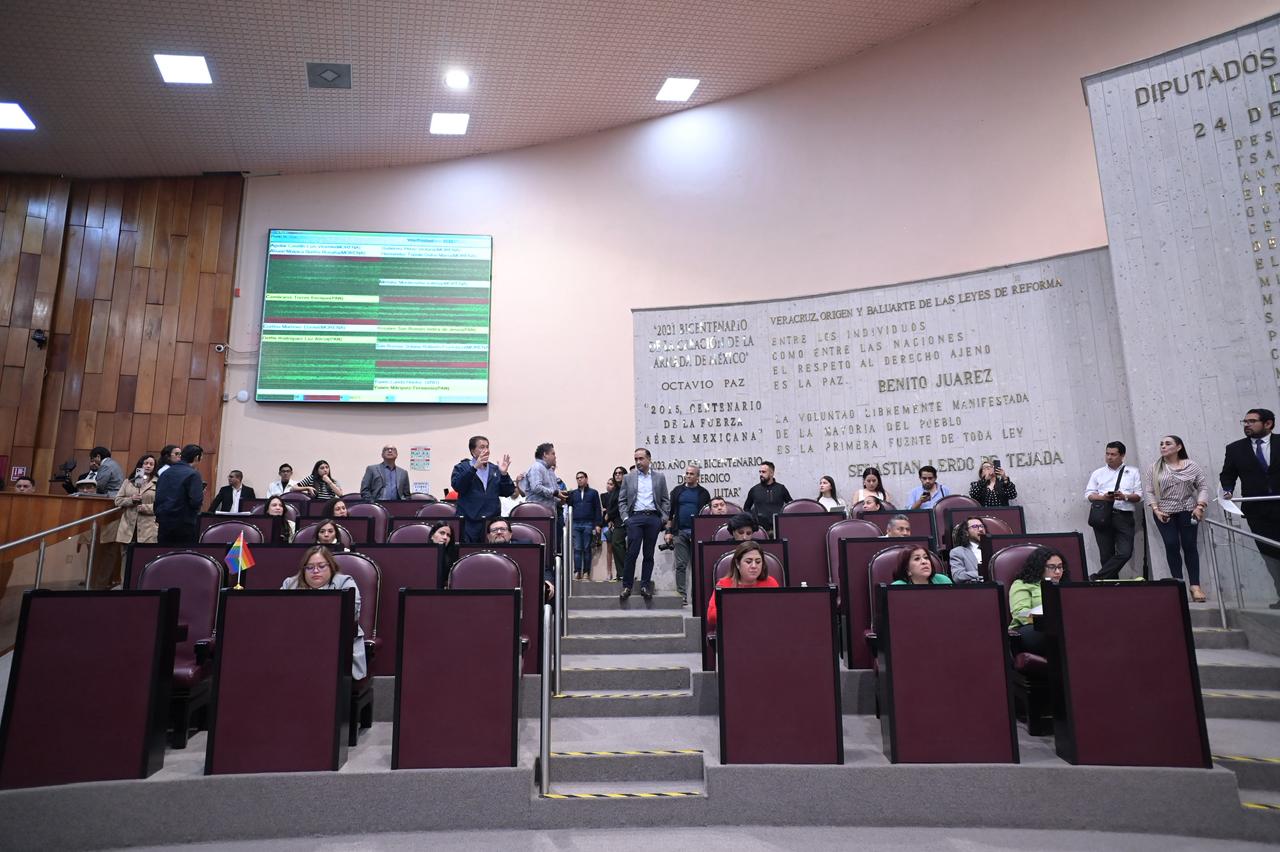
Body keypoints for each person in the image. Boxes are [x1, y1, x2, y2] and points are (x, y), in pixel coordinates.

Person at [1221, 408, 1280, 608]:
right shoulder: (1235, 448)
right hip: (1257, 511)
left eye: (1252, 421)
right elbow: (1227, 474)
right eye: (1245, 421)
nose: (1247, 425)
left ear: (1268, 423)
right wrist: (1227, 490)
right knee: (1270, 554)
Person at [281, 546, 366, 679]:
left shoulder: (345, 583)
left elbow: (350, 615)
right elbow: (280, 616)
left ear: (331, 567)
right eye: (310, 567)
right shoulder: (290, 584)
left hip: (337, 645)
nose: (315, 571)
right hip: (297, 645)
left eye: (321, 566)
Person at [1144, 435, 1211, 602]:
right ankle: (1178, 584)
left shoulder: (1191, 465)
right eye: (1161, 444)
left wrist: (1200, 506)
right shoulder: (1155, 467)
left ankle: (1195, 586)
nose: (1163, 446)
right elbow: (1149, 491)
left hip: (1188, 510)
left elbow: (1202, 487)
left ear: (1179, 447)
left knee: (1190, 546)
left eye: (1168, 443)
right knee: (1171, 544)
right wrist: (1156, 510)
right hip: (1164, 512)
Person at [1085, 441, 1143, 581]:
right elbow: (1088, 495)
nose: (1109, 457)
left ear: (1122, 455)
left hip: (1124, 515)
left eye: (1113, 454)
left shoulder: (1132, 472)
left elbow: (1139, 496)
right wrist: (1103, 497)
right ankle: (1110, 586)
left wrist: (1125, 496)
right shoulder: (1098, 473)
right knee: (1106, 555)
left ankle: (1098, 577)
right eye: (1107, 454)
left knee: (1125, 552)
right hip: (1102, 516)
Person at [617, 447, 670, 601]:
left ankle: (645, 586)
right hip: (635, 518)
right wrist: (626, 519)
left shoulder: (659, 477)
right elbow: (622, 500)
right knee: (632, 553)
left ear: (649, 459)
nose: (638, 462)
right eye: (636, 459)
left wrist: (663, 518)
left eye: (641, 458)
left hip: (653, 518)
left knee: (649, 554)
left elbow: (665, 500)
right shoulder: (629, 478)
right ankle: (627, 586)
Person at [451, 435, 515, 543]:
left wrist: (504, 474)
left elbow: (508, 492)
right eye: (482, 447)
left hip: (491, 523)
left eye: (487, 447)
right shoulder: (462, 467)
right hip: (468, 523)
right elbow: (458, 486)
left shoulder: (494, 469)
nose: (486, 450)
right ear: (473, 451)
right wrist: (474, 468)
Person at [705, 541, 780, 629]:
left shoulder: (771, 583)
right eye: (748, 561)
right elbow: (711, 617)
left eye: (758, 562)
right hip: (734, 630)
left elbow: (778, 612)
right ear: (737, 564)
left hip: (764, 629)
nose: (754, 566)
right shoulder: (724, 585)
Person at [666, 465, 711, 605]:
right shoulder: (677, 491)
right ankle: (682, 596)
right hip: (680, 533)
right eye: (687, 473)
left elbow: (706, 515)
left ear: (698, 477)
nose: (688, 476)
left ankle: (696, 596)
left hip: (697, 534)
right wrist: (668, 532)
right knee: (680, 565)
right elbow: (670, 514)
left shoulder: (704, 493)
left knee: (697, 566)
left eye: (692, 474)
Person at [1008, 546, 1066, 655]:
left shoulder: (1065, 586)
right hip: (1030, 628)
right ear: (1039, 567)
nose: (1058, 571)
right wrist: (1044, 618)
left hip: (1060, 626)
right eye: (1052, 567)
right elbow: (1020, 614)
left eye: (1060, 567)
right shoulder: (1022, 584)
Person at [485, 517, 555, 600]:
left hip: (525, 589)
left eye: (503, 529)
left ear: (510, 534)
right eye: (494, 530)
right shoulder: (482, 555)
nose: (499, 532)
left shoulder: (526, 546)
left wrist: (547, 581)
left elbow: (542, 568)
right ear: (488, 536)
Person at [155, 444, 204, 545]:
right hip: (184, 525)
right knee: (182, 554)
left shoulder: (165, 472)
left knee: (164, 553)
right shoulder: (193, 474)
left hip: (164, 523)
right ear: (197, 457)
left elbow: (158, 497)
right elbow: (196, 501)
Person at [113, 454, 158, 545]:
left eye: (151, 464)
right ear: (140, 465)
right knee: (126, 552)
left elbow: (162, 505)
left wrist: (146, 508)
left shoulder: (159, 483)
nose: (148, 466)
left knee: (144, 553)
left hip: (148, 528)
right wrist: (131, 500)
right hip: (127, 527)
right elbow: (117, 500)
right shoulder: (129, 482)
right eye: (146, 463)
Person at [568, 471, 603, 580]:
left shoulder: (593, 493)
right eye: (577, 478)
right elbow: (568, 509)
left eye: (581, 477)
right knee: (577, 548)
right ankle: (577, 571)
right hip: (575, 524)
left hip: (588, 523)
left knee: (587, 548)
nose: (579, 479)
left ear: (586, 479)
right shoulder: (573, 494)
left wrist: (598, 524)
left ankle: (586, 573)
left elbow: (598, 509)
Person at [743, 461, 792, 535]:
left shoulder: (781, 488)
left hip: (779, 529)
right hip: (759, 531)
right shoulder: (754, 490)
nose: (761, 474)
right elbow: (746, 508)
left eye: (764, 472)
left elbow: (790, 506)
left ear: (771, 473)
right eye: (760, 472)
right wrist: (754, 519)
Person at [523, 443, 563, 514]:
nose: (555, 457)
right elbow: (536, 487)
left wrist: (561, 498)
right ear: (545, 455)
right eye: (553, 454)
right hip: (537, 513)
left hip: (549, 513)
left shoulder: (550, 470)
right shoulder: (537, 467)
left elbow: (553, 493)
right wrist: (555, 493)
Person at [603, 466, 627, 582]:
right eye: (616, 473)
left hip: (624, 520)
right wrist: (610, 519)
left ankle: (625, 573)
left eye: (620, 473)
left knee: (618, 544)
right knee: (616, 546)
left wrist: (609, 515)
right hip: (615, 521)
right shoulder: (614, 490)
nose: (618, 475)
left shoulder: (626, 488)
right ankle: (620, 573)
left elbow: (620, 505)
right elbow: (610, 505)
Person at [948, 517, 987, 583]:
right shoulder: (958, 552)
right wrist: (982, 573)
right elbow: (958, 576)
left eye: (982, 526)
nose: (980, 529)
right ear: (966, 532)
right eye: (975, 526)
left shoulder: (996, 548)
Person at [428, 520, 458, 586]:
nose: (445, 537)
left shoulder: (453, 559)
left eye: (448, 535)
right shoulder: (422, 555)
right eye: (442, 533)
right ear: (432, 535)